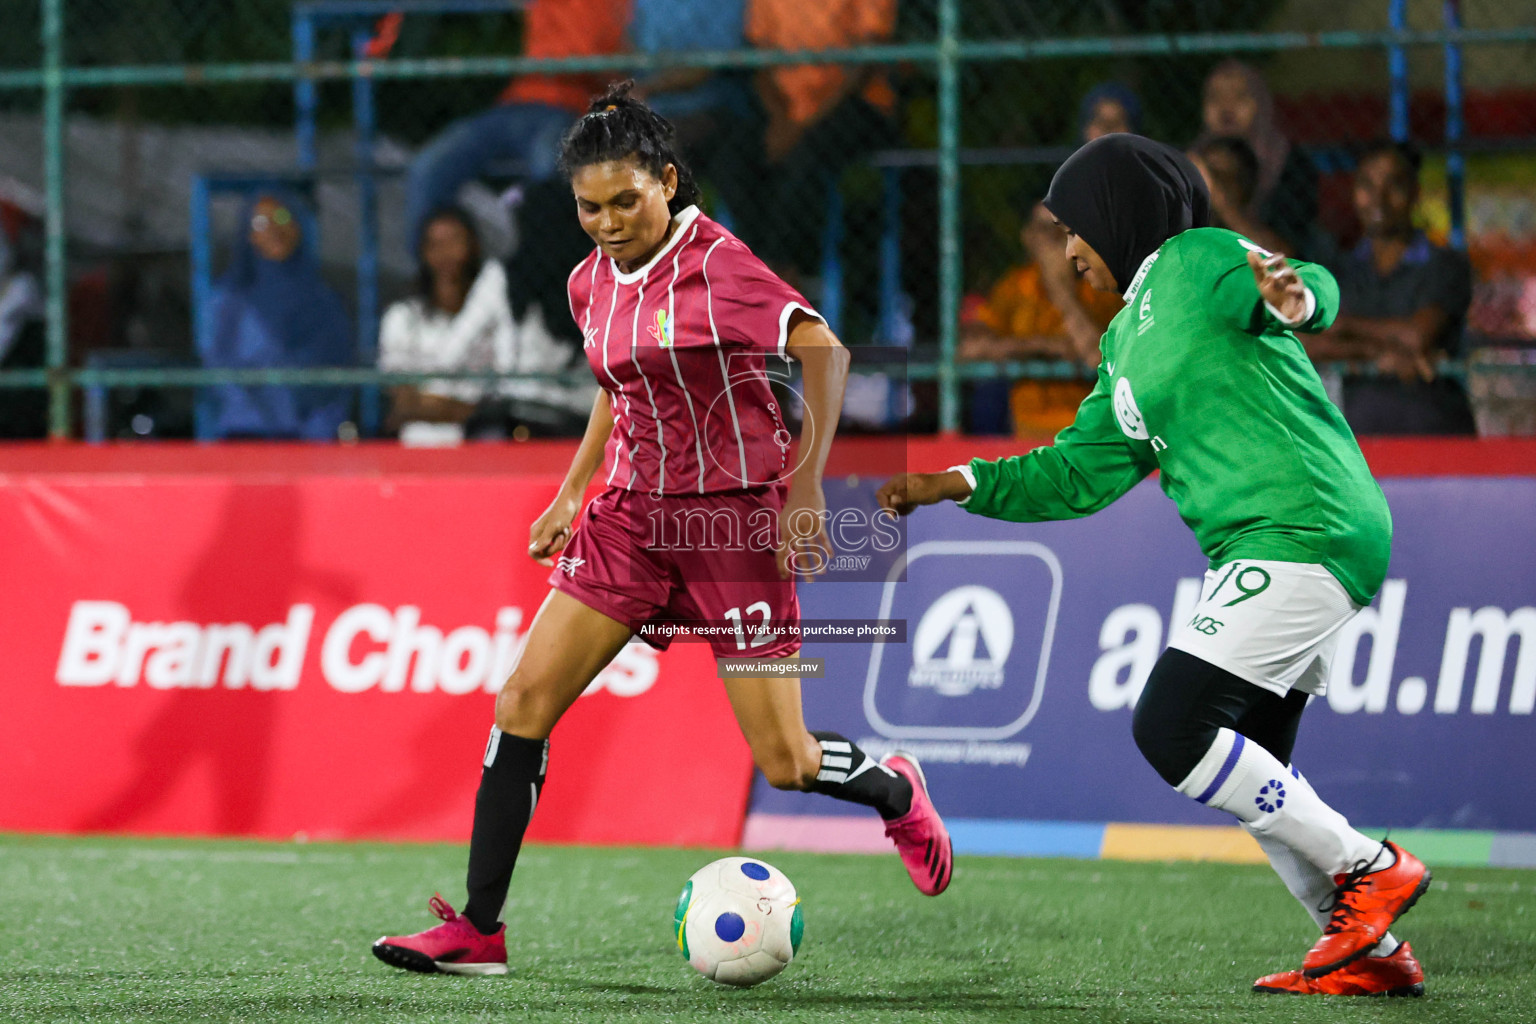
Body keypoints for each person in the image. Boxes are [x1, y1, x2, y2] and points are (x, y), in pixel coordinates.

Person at [372, 82, 952, 977]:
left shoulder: (718, 264)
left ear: (667, 182)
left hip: (734, 523)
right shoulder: (585, 280)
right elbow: (618, 384)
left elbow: (825, 350)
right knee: (523, 703)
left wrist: (803, 487)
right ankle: (479, 929)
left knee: (788, 759)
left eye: (624, 202)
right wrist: (573, 492)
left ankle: (893, 789)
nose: (606, 222)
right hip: (632, 521)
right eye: (588, 207)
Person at [876, 134, 1431, 998]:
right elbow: (1075, 471)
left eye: (1073, 229)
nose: (1067, 251)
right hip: (1266, 543)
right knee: (1257, 769)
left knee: (1170, 725)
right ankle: (1365, 950)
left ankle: (1372, 868)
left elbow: (1305, 286)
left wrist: (1295, 295)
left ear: (1114, 214)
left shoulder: (1196, 258)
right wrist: (954, 483)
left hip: (1304, 525)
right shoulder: (1124, 346)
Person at [403, 0, 630, 249]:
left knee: (548, 176)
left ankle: (548, 273)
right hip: (514, 103)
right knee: (427, 167)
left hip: (569, 107)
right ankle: (426, 281)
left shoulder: (615, 6)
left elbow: (598, 59)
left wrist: (567, 59)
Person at [1307, 140, 1476, 435]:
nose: (1378, 199)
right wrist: (1374, 353)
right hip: (1362, 443)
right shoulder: (1339, 269)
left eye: (1393, 185)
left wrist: (1343, 326)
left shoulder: (1445, 265)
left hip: (1438, 437)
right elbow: (1307, 343)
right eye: (1367, 185)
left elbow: (1417, 336)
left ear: (1415, 193)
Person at [741, 0, 898, 282]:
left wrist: (803, 125)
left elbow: (866, 60)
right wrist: (782, 119)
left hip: (854, 104)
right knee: (736, 155)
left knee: (807, 157)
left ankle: (780, 273)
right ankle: (748, 268)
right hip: (785, 110)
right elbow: (759, 60)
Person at [197, 192, 352, 441]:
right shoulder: (227, 301)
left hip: (311, 437)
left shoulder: (324, 300)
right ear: (248, 234)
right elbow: (218, 365)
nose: (274, 229)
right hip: (244, 435)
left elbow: (332, 366)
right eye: (260, 222)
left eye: (282, 217)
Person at [959, 202, 1123, 435]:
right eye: (1043, 229)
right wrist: (1044, 346)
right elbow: (969, 348)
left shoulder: (1099, 284)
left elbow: (1097, 356)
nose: (1052, 238)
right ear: (1028, 237)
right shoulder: (1015, 286)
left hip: (1091, 429)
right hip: (1028, 432)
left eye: (1061, 230)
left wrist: (1060, 289)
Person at [380, 207, 515, 442]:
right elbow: (403, 403)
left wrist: (431, 404)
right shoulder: (403, 317)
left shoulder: (494, 311)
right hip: (419, 442)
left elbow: (499, 400)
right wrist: (464, 410)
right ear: (423, 251)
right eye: (435, 244)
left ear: (473, 246)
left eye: (454, 241)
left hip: (481, 440)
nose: (446, 253)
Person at [1194, 59, 1318, 255]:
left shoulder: (1289, 163)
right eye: (1215, 96)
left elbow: (1287, 254)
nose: (1226, 106)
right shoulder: (1195, 159)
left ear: (1260, 102)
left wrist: (1219, 197)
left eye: (1240, 96)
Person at [1189, 135, 1290, 256]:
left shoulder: (1254, 232)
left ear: (1244, 186)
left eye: (1222, 177)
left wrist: (1219, 198)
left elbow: (1276, 258)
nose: (1206, 181)